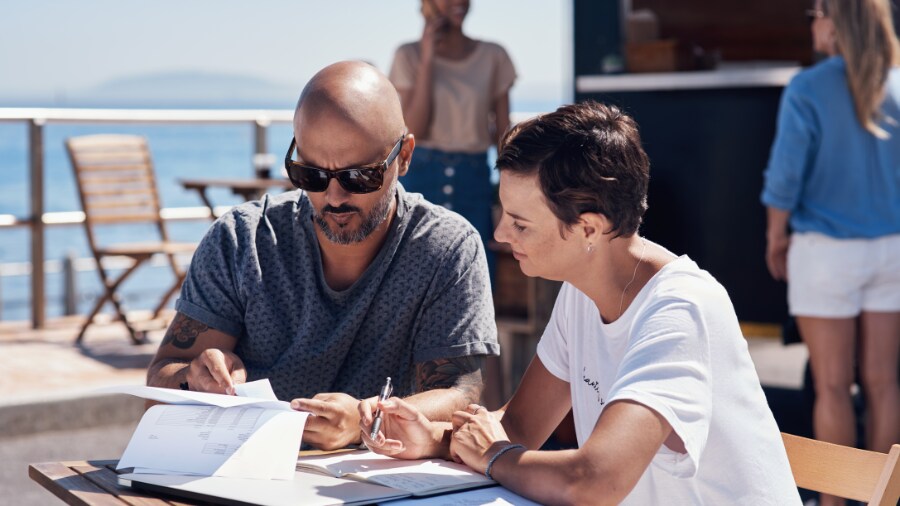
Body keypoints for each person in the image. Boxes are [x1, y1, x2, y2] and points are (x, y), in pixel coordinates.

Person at [358, 101, 802, 505]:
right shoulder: (581, 292)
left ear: (588, 229)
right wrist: (432, 438)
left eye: (520, 224)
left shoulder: (680, 310)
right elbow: (518, 428)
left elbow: (594, 483)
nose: (500, 235)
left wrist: (494, 457)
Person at [146, 61, 499, 451]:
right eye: (310, 175)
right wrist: (194, 378)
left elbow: (460, 391)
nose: (333, 197)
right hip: (243, 468)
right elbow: (158, 385)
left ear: (404, 157)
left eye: (358, 177)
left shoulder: (445, 248)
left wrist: (367, 419)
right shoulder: (242, 240)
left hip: (371, 477)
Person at [761, 1, 900, 502]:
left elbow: (784, 178)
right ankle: (886, 499)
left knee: (833, 387)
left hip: (825, 254)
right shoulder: (898, 83)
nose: (812, 21)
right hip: (893, 251)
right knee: (885, 384)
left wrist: (776, 236)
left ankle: (834, 502)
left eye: (816, 11)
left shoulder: (809, 87)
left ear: (836, 21)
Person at [389, 0, 516, 282]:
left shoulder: (493, 55)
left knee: (476, 275)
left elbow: (504, 136)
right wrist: (427, 57)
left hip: (474, 179)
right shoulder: (408, 55)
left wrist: (508, 201)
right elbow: (415, 129)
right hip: (419, 175)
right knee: (411, 275)